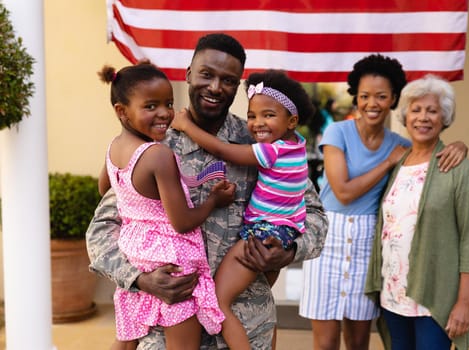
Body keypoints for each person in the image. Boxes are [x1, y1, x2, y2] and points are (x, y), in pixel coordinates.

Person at [86, 33, 328, 350]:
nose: (215, 87)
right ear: (188, 74)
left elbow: (314, 216)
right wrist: (140, 279)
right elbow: (102, 229)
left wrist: (290, 250)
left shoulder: (260, 140)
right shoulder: (152, 145)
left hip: (245, 327)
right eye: (206, 74)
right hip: (166, 329)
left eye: (228, 80)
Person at [299, 54, 467, 350]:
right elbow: (343, 192)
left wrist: (459, 145)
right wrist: (387, 163)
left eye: (381, 96)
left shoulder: (400, 144)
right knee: (324, 343)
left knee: (359, 340)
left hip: (368, 243)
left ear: (393, 99)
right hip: (328, 240)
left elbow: (428, 151)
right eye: (364, 96)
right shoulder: (338, 132)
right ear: (356, 98)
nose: (371, 103)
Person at [171, 69, 315, 350]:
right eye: (252, 115)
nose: (258, 123)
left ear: (292, 120)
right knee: (244, 295)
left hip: (261, 235)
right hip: (280, 232)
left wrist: (187, 126)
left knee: (219, 301)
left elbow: (226, 152)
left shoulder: (271, 150)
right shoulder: (295, 147)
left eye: (268, 115)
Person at [97, 62, 235, 350]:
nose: (164, 113)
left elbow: (104, 189)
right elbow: (182, 221)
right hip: (171, 259)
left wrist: (137, 206)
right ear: (122, 111)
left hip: (137, 252)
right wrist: (213, 200)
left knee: (126, 339)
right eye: (150, 106)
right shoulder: (158, 155)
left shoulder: (113, 147)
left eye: (168, 103)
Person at [365, 75, 469, 350]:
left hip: (433, 299)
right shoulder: (399, 162)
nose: (423, 118)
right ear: (406, 117)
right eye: (416, 110)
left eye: (432, 111)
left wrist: (465, 304)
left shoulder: (459, 169)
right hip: (394, 295)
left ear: (444, 118)